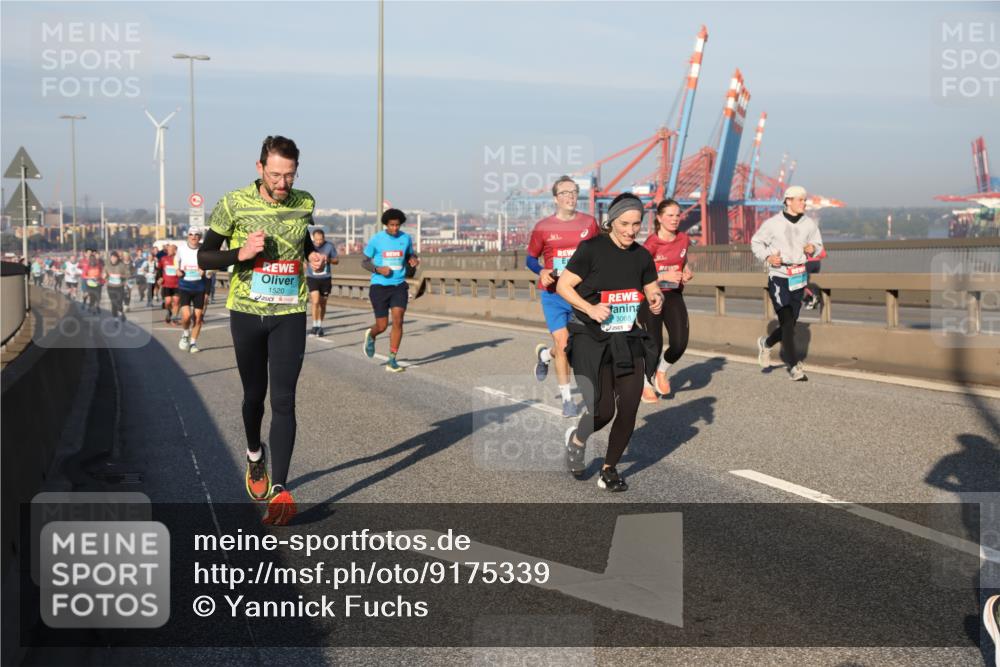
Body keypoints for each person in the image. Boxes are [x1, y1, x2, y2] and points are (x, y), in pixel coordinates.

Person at [198, 135, 324, 526]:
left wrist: (310, 253)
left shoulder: (305, 202)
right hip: (247, 312)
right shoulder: (233, 203)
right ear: (259, 169)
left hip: (290, 311)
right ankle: (255, 456)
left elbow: (298, 237)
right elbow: (205, 255)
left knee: (284, 400)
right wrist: (242, 254)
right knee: (255, 397)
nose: (282, 183)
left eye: (289, 175)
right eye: (275, 175)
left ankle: (280, 490)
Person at [556, 193, 663, 492]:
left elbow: (652, 287)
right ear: (611, 221)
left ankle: (609, 468)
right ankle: (577, 439)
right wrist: (590, 308)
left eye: (637, 224)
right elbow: (564, 285)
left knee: (628, 407)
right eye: (625, 224)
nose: (631, 231)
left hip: (626, 337)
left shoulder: (641, 255)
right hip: (590, 337)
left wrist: (656, 298)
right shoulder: (591, 249)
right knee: (602, 410)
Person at [527, 175, 600, 417]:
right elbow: (530, 259)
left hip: (582, 295)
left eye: (573, 192)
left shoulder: (589, 223)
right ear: (555, 198)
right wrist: (542, 270)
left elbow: (601, 254)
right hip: (554, 295)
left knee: (575, 346)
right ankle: (567, 400)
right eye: (564, 193)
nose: (569, 197)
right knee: (564, 343)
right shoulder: (543, 227)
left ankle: (544, 355)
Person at [751, 185, 824, 382]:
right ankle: (794, 366)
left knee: (789, 325)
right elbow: (756, 242)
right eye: (800, 199)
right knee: (786, 322)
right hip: (779, 276)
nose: (804, 203)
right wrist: (768, 257)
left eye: (804, 199)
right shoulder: (773, 223)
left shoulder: (809, 224)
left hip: (799, 277)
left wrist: (812, 248)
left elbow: (819, 246)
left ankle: (766, 343)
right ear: (788, 201)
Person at [638, 198, 693, 402]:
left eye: (678, 215)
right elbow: (639, 275)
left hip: (674, 295)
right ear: (659, 218)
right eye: (670, 215)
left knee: (680, 343)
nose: (675, 219)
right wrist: (663, 276)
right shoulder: (650, 244)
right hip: (651, 296)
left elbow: (682, 262)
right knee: (654, 344)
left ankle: (661, 371)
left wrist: (686, 272)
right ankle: (645, 383)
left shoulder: (684, 239)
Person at [361, 208, 419, 372]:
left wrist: (413, 260)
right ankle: (371, 335)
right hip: (379, 286)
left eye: (397, 225)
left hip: (399, 285)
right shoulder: (377, 240)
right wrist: (378, 270)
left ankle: (392, 360)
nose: (395, 228)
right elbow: (364, 262)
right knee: (382, 325)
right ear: (386, 224)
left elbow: (410, 256)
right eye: (392, 225)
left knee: (398, 319)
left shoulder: (406, 238)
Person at [176, 228, 207, 353]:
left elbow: (212, 265)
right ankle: (185, 334)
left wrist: (206, 269)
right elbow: (176, 261)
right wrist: (177, 270)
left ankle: (193, 343)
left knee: (198, 317)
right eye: (191, 234)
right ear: (187, 236)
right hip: (185, 286)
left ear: (200, 237)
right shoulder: (182, 248)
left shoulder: (204, 249)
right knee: (187, 316)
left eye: (196, 235)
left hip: (199, 287)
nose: (193, 237)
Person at [306, 227, 339, 336]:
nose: (318, 242)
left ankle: (319, 325)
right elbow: (303, 257)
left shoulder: (329, 246)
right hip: (312, 277)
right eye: (316, 240)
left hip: (325, 278)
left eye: (320, 240)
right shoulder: (310, 247)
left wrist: (327, 259)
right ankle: (314, 326)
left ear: (324, 238)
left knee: (323, 304)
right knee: (315, 301)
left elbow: (336, 260)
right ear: (313, 238)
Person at [158, 244, 181, 325]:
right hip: (166, 284)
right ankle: (169, 312)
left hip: (177, 284)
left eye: (172, 249)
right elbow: (159, 270)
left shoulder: (179, 260)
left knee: (176, 301)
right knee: (167, 302)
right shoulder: (163, 259)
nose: (170, 251)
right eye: (169, 249)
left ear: (176, 250)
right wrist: (160, 278)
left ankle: (174, 318)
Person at [105, 251, 128, 321]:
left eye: (115, 258)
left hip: (119, 286)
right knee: (113, 302)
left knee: (119, 302)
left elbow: (128, 274)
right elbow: (104, 273)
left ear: (117, 258)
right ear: (110, 258)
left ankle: (121, 312)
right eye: (112, 257)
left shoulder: (122, 265)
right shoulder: (107, 265)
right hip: (110, 286)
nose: (113, 259)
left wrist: (121, 276)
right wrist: (104, 276)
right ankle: (115, 318)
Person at [80, 249, 104, 314]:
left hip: (98, 283)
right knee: (92, 296)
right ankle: (92, 307)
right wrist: (90, 277)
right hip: (90, 284)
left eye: (94, 259)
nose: (93, 260)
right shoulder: (87, 266)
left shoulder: (99, 265)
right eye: (92, 259)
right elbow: (84, 275)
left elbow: (102, 273)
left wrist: (102, 280)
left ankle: (96, 306)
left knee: (98, 296)